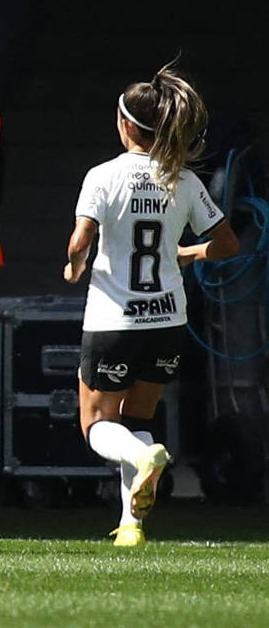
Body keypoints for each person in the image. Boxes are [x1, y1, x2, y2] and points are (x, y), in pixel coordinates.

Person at [65, 64, 238, 546]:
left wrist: (75, 269)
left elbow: (80, 242)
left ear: (124, 125)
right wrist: (187, 253)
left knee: (98, 424)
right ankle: (131, 526)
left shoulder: (102, 176)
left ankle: (144, 462)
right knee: (138, 422)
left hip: (113, 318)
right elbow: (226, 243)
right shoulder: (182, 180)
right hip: (167, 320)